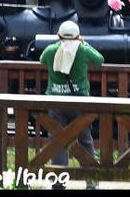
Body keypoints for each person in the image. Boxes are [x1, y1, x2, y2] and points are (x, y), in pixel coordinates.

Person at [39, 21, 104, 190]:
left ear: (59, 36)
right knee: (85, 140)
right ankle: (91, 180)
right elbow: (99, 60)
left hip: (55, 101)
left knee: (57, 141)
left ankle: (58, 183)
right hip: (79, 102)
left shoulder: (51, 50)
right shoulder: (82, 50)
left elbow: (41, 60)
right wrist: (85, 44)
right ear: (78, 37)